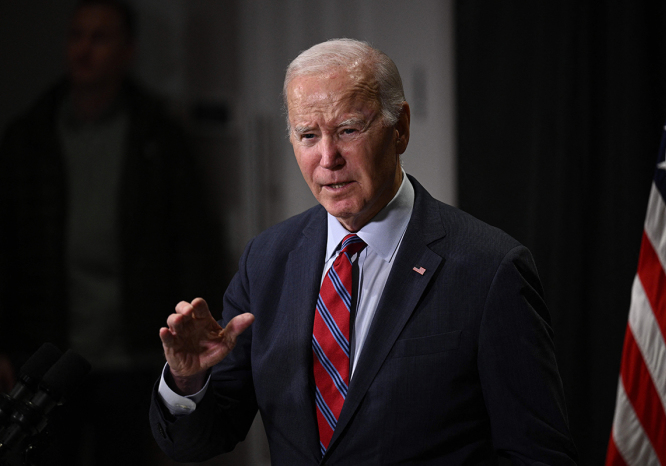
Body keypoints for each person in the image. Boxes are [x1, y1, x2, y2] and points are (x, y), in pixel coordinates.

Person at [150, 38, 578, 464]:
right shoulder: (266, 261)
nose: (328, 158)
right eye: (308, 135)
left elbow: (538, 455)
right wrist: (189, 382)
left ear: (401, 128)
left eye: (348, 130)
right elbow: (199, 441)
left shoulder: (489, 269)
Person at [0, 0, 226, 464]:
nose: (84, 49)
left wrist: (191, 336)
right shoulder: (30, 135)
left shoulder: (158, 136)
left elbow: (194, 241)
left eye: (99, 37)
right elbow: (6, 249)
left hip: (134, 353)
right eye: (76, 36)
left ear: (127, 50)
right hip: (49, 352)